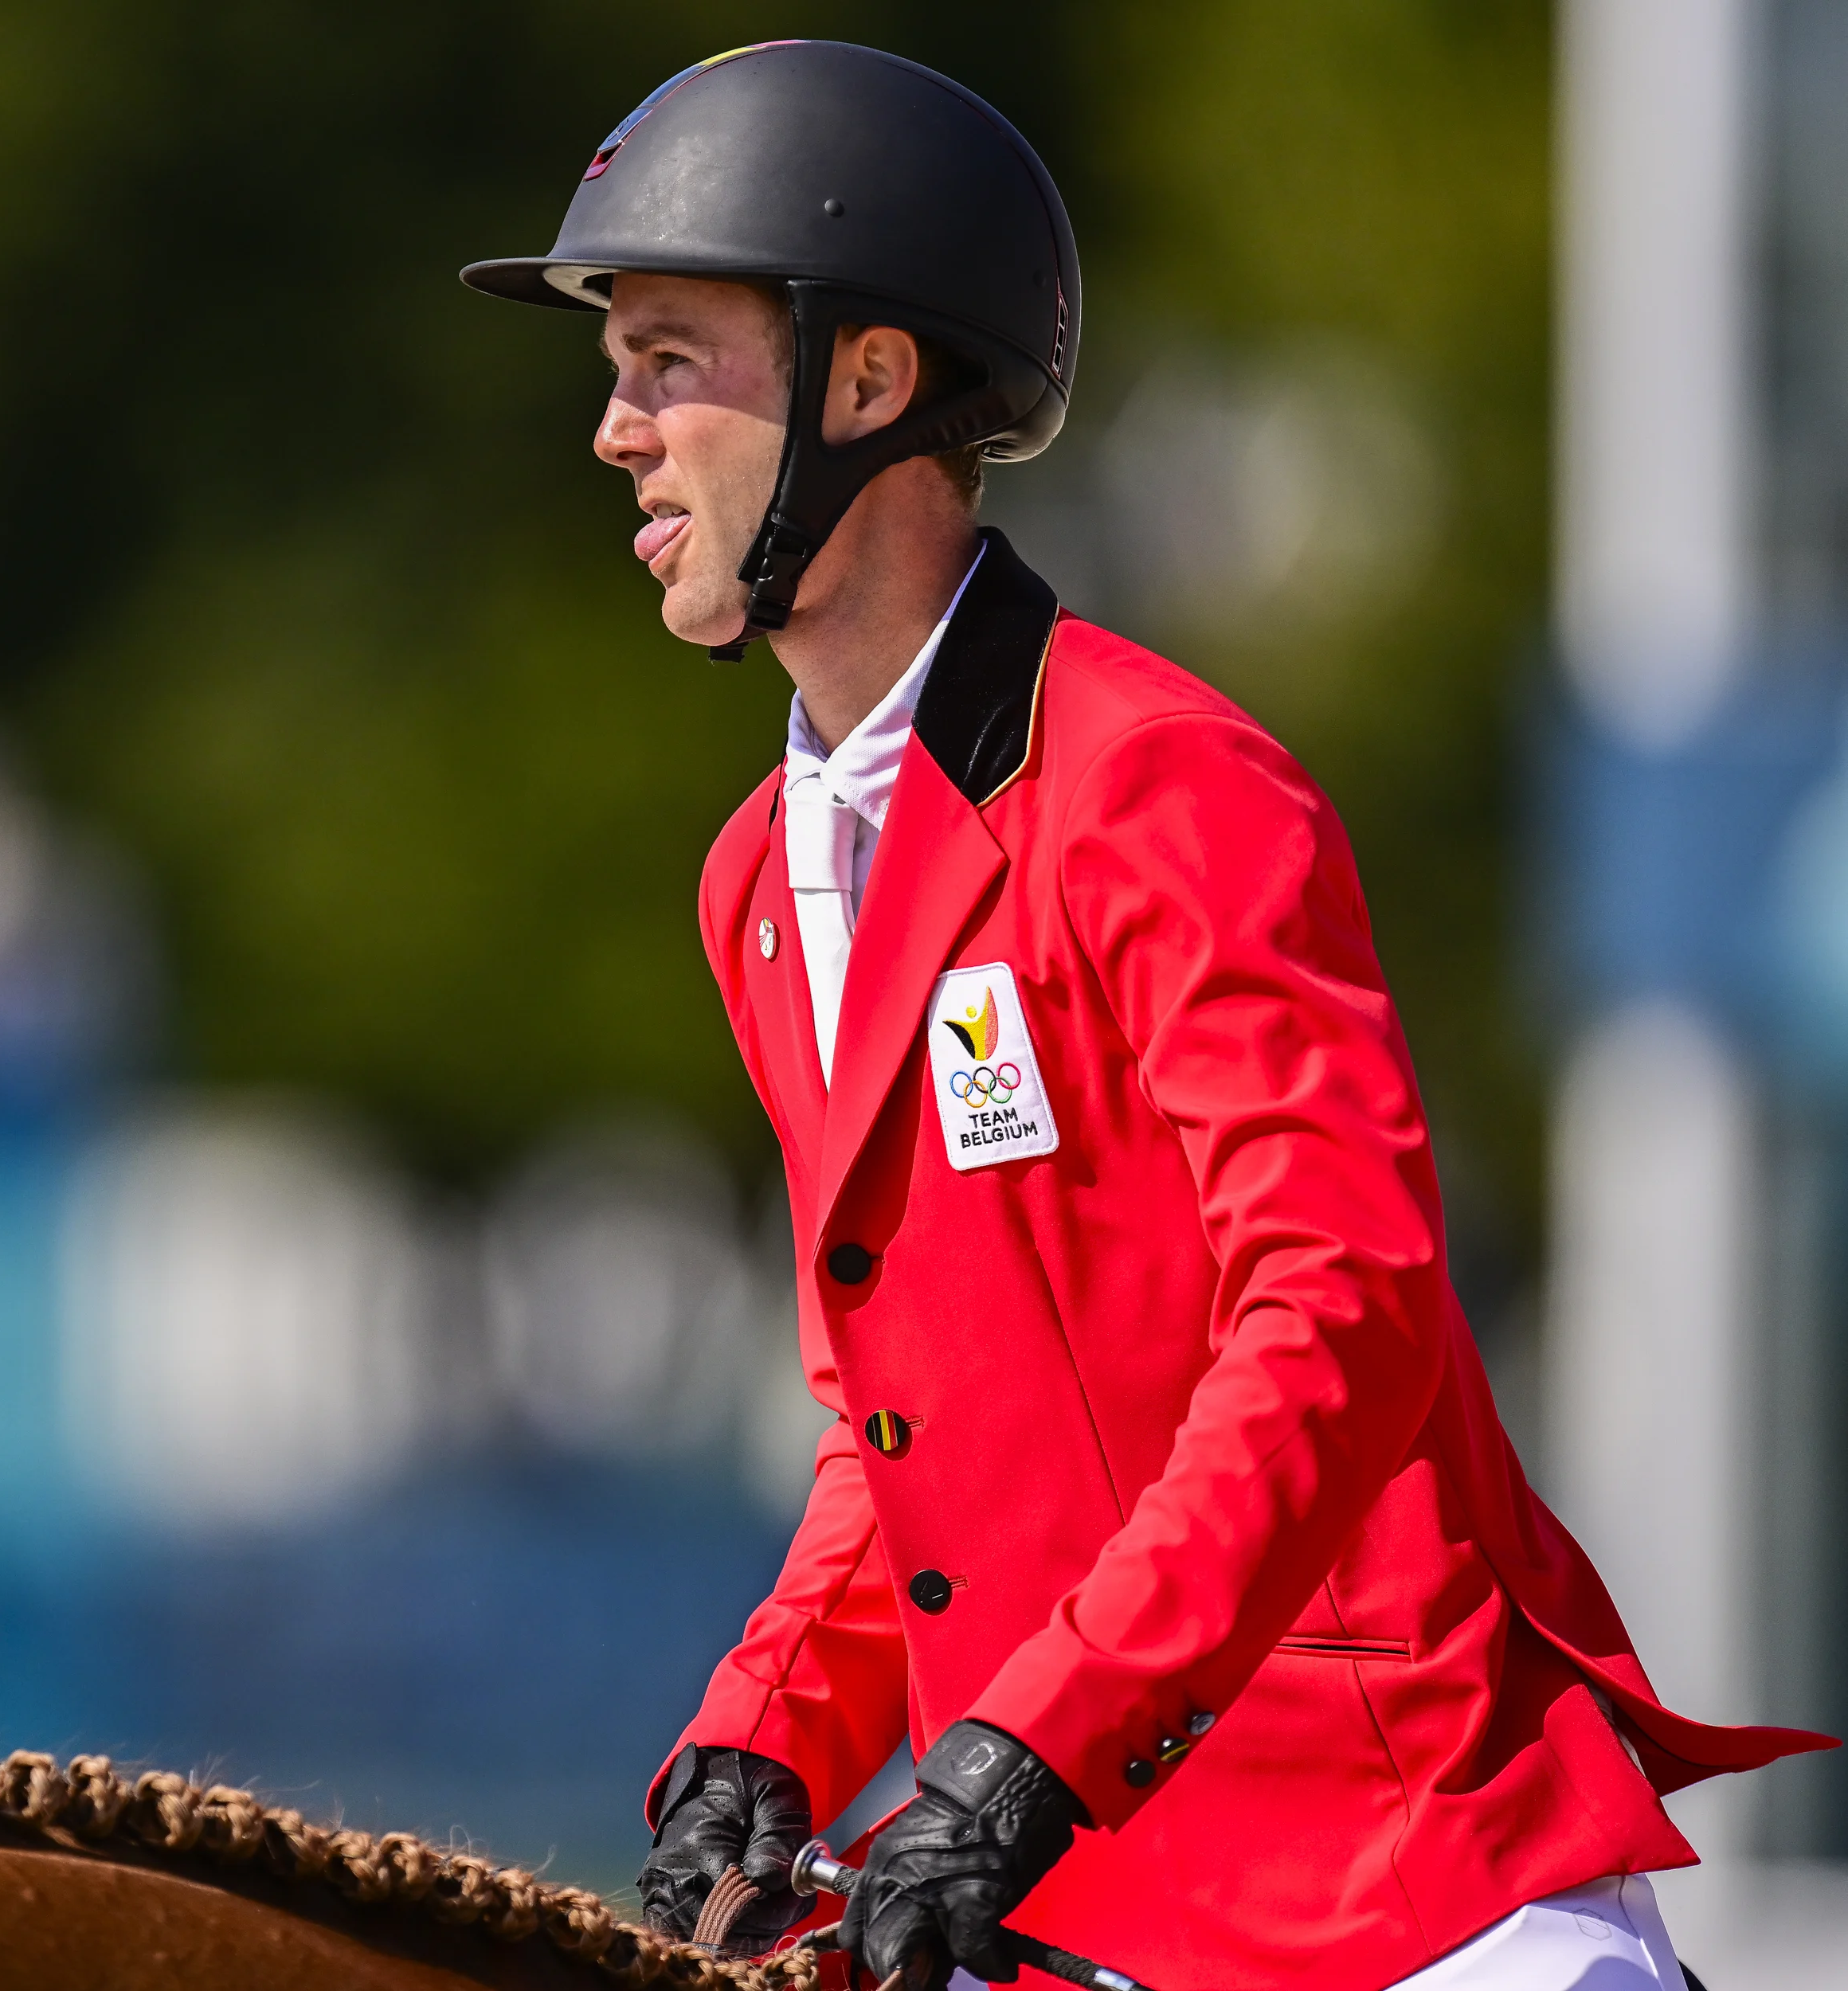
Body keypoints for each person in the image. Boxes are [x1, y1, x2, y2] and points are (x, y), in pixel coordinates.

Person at [460, 41, 1832, 1991]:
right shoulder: (760, 885)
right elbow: (895, 1427)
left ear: (869, 380)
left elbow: (1337, 1309)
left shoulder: (1163, 783)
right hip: (1067, 1881)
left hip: (1394, 1879)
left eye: (669, 359)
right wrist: (768, 1723)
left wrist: (1034, 1739)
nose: (616, 428)